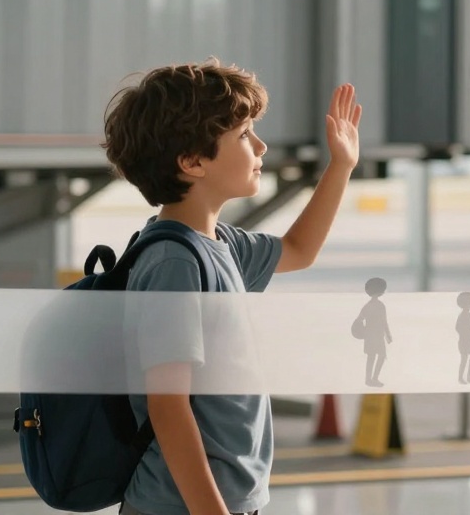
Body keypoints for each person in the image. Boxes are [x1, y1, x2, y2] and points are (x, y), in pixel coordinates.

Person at [103, 59, 362, 515]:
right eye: (243, 135)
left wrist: (340, 166)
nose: (260, 146)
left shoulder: (221, 245)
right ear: (192, 162)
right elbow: (168, 407)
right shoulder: (174, 264)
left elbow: (299, 249)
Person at [354, 277, 393, 387]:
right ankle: (374, 378)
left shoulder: (367, 306)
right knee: (381, 356)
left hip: (370, 336)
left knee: (371, 357)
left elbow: (359, 319)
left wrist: (362, 331)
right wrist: (388, 335)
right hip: (377, 336)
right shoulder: (380, 306)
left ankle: (369, 379)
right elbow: (384, 322)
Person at [455, 291, 470, 384]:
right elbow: (457, 327)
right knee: (464, 359)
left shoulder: (469, 315)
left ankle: (469, 377)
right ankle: (460, 378)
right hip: (464, 341)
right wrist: (464, 334)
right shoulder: (462, 315)